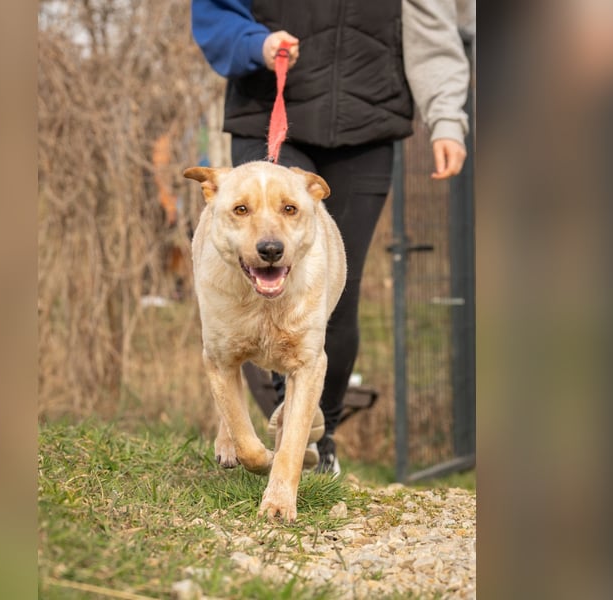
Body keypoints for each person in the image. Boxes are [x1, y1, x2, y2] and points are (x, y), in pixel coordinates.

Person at [190, 0, 470, 474]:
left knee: (334, 298)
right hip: (270, 105)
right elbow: (215, 12)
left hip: (367, 126)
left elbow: (431, 29)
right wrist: (256, 44)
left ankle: (322, 438)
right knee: (258, 282)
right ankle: (286, 445)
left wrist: (446, 117)